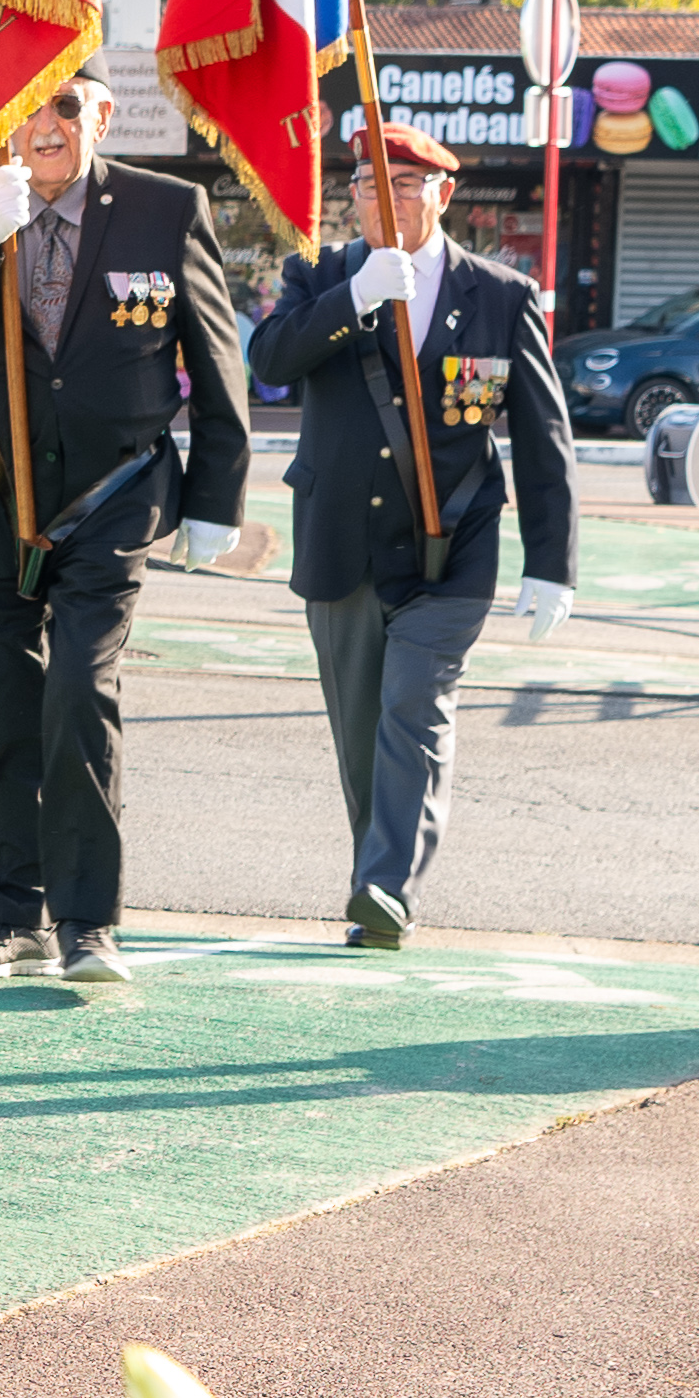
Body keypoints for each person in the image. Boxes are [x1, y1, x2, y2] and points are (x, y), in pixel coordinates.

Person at [0, 72, 257, 978]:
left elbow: (213, 358)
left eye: (65, 106)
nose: (44, 127)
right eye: (24, 109)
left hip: (113, 498)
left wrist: (215, 499)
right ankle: (9, 919)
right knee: (5, 708)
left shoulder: (166, 209)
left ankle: (88, 920)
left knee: (79, 695)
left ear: (102, 115)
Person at [244, 113, 580, 951]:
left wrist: (551, 563)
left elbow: (542, 434)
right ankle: (378, 881)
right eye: (367, 185)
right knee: (362, 732)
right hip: (342, 543)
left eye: (404, 184)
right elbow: (272, 361)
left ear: (444, 194)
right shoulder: (319, 274)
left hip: (451, 544)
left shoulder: (498, 295)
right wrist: (352, 299)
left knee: (411, 709)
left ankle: (385, 887)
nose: (384, 200)